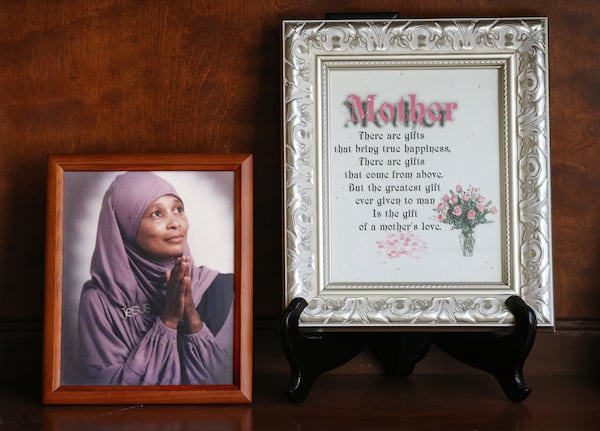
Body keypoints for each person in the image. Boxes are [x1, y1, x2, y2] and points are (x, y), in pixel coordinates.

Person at [77, 171, 234, 385]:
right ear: (125, 227)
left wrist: (191, 316)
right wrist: (168, 320)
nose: (175, 223)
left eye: (178, 209)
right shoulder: (100, 300)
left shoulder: (223, 289)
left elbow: (228, 381)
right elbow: (108, 388)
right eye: (156, 214)